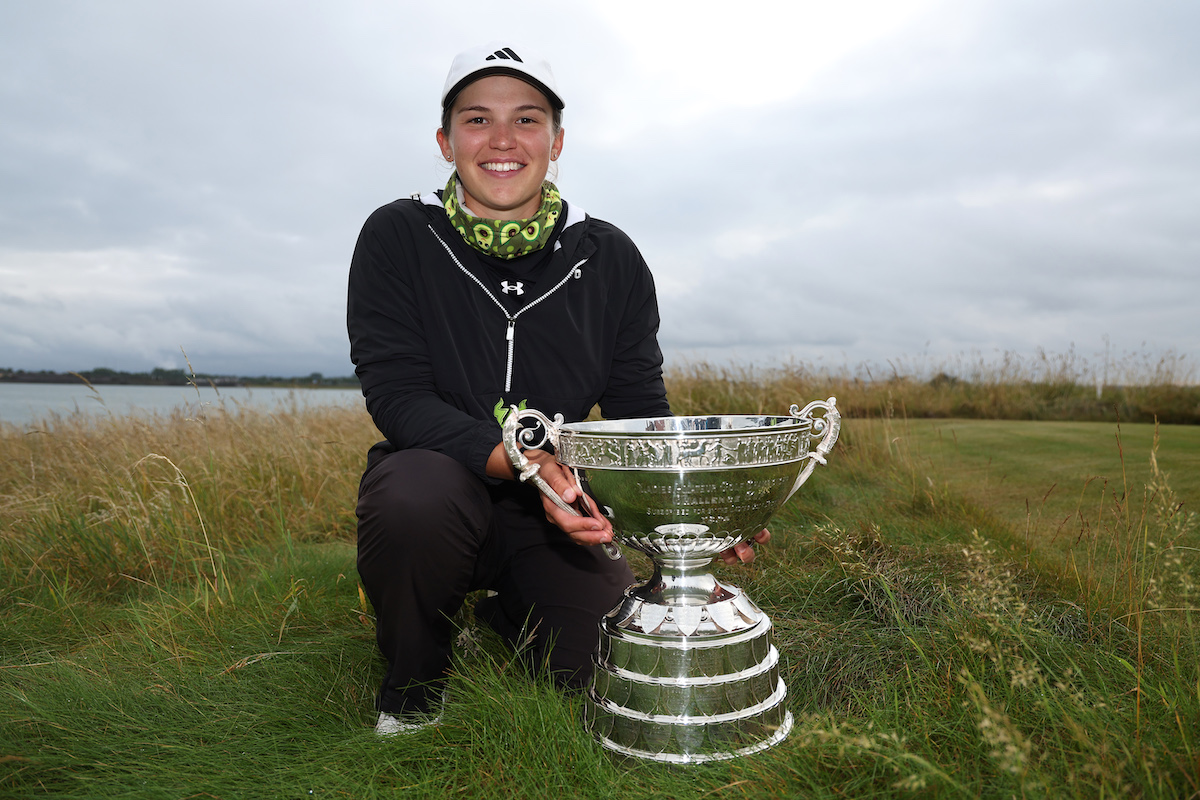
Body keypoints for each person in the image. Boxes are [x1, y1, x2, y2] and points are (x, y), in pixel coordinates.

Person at [347, 43, 768, 735]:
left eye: (528, 119)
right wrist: (527, 464)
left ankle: (505, 612)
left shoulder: (610, 256)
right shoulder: (398, 234)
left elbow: (638, 407)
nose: (504, 140)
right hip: (439, 485)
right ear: (445, 141)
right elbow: (396, 395)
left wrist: (692, 501)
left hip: (560, 513)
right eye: (478, 120)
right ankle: (413, 686)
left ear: (558, 139)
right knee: (412, 495)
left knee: (600, 676)